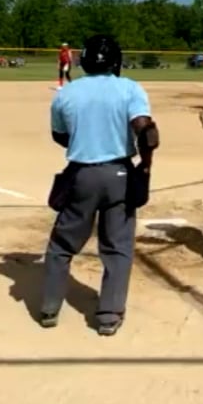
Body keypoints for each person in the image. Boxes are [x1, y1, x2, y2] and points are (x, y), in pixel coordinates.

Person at [41, 35, 155, 335]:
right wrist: (145, 166)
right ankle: (109, 316)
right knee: (117, 247)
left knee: (62, 245)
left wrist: (85, 139)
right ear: (116, 61)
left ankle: (50, 308)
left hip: (81, 175)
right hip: (119, 174)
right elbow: (147, 133)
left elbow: (59, 135)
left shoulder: (66, 93)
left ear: (85, 61)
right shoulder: (130, 88)